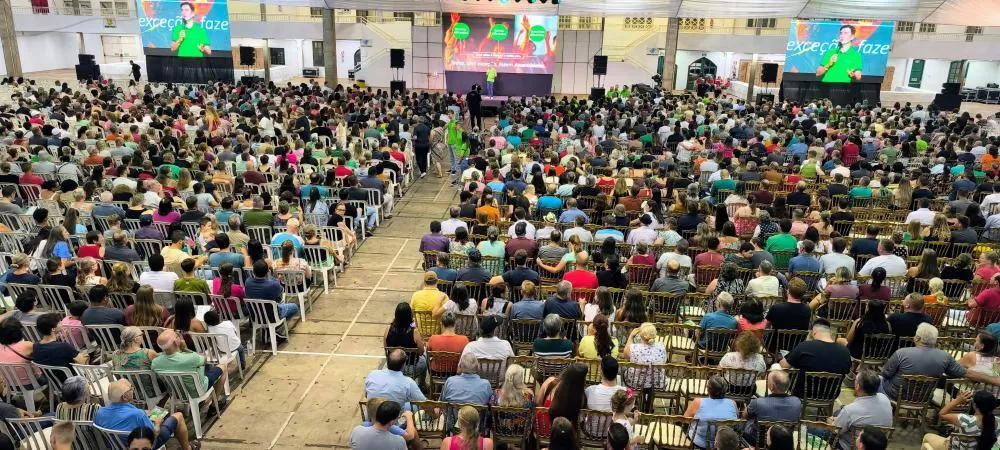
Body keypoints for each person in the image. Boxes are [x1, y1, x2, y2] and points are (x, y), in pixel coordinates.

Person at [94, 379, 199, 450]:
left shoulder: (100, 412)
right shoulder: (137, 414)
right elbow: (154, 434)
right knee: (178, 416)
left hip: (116, 446)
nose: (133, 390)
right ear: (124, 397)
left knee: (154, 413)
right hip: (145, 445)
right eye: (131, 389)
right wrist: (157, 423)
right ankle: (188, 448)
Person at [779, 319, 852, 397]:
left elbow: (783, 366)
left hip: (803, 393)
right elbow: (846, 372)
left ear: (814, 332)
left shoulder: (804, 346)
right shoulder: (845, 352)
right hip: (831, 394)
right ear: (829, 333)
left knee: (778, 369)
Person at [829, 370, 893, 450]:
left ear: (858, 386)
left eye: (855, 380)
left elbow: (836, 431)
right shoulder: (885, 398)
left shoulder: (850, 410)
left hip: (850, 446)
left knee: (815, 429)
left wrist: (831, 422)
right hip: (876, 445)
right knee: (839, 412)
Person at [922, 390, 998, 450]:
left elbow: (942, 414)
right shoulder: (995, 422)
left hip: (953, 447)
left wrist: (958, 400)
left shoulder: (966, 420)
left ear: (975, 405)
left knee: (927, 436)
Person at [743, 370, 802, 444]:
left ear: (771, 386)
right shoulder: (797, 402)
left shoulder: (758, 402)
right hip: (784, 439)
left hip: (759, 440)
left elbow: (745, 416)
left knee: (741, 424)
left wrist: (747, 407)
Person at [683, 375, 738, 449]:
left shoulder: (698, 402)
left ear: (708, 389)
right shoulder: (732, 403)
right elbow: (736, 420)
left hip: (700, 443)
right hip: (724, 444)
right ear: (725, 390)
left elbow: (685, 419)